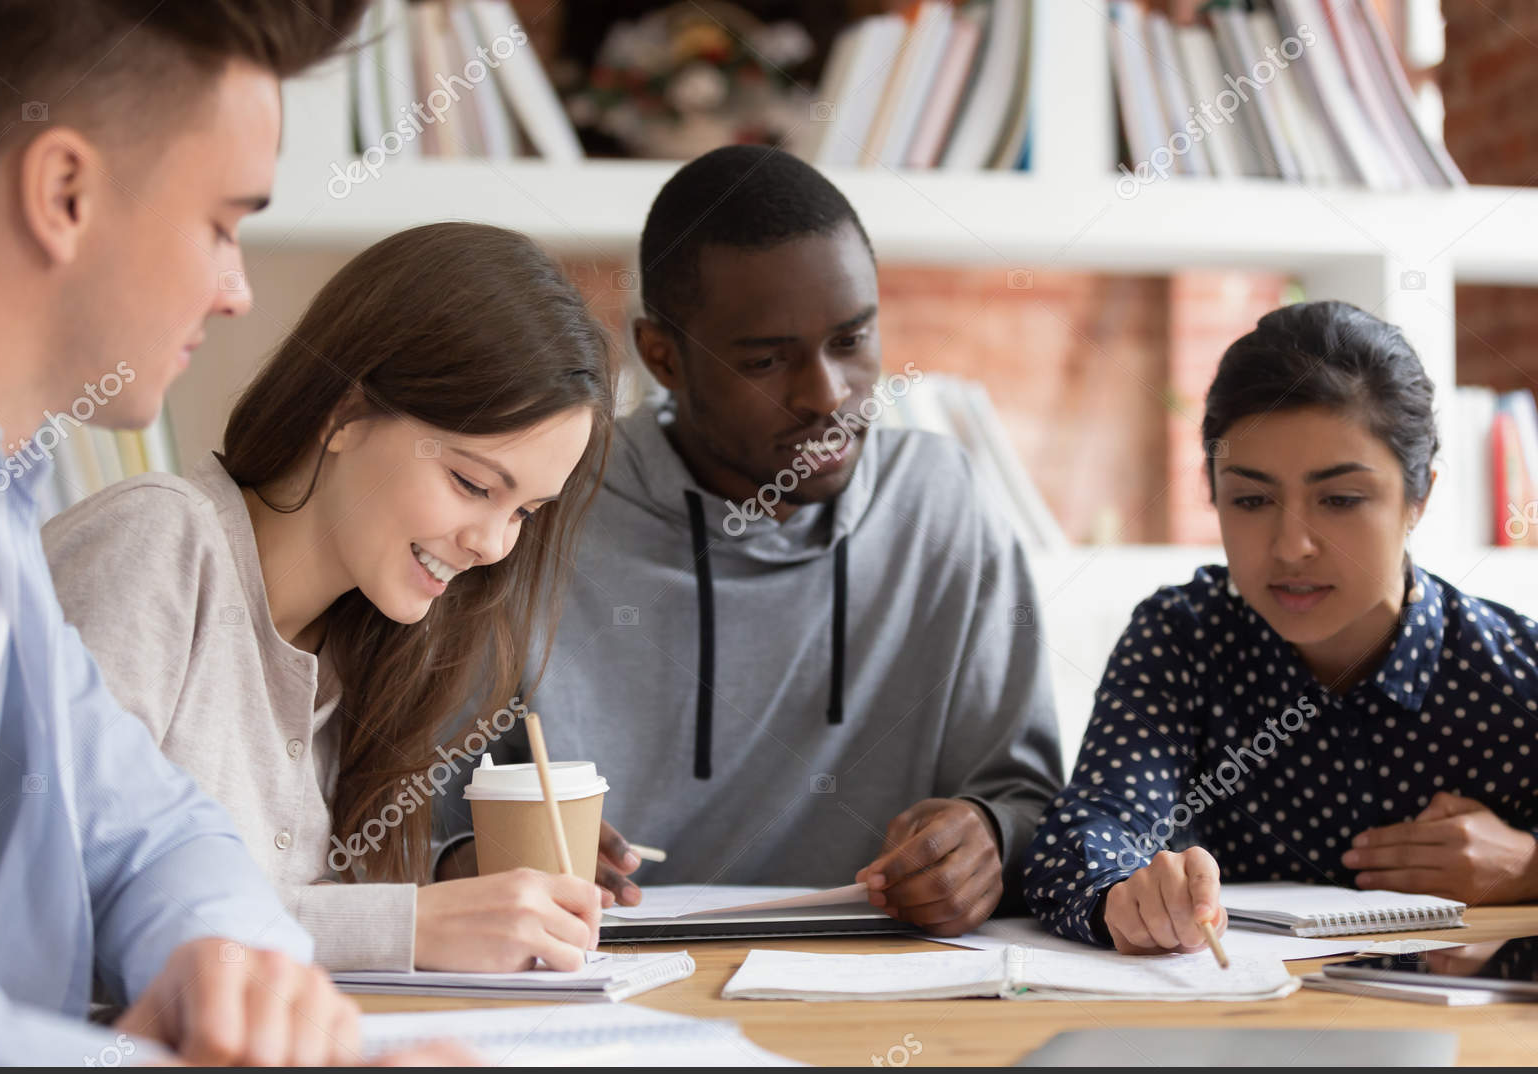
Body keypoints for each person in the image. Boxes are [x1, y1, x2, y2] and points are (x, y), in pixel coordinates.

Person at [0, 0, 465, 1066]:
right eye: (223, 224)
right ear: (65, 193)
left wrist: (231, 968)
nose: (234, 291)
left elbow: (151, 828)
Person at [438, 146, 1063, 937]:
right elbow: (407, 823)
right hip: (598, 975)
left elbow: (1032, 799)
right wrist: (482, 857)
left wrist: (988, 837)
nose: (827, 395)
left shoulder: (943, 503)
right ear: (662, 356)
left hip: (885, 982)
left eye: (852, 340)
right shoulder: (543, 508)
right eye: (767, 360)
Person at [43, 222, 616, 974]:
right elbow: (65, 894)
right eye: (474, 485)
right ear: (345, 412)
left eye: (524, 512)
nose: (494, 544)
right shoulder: (158, 539)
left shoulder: (368, 643)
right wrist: (405, 925)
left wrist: (455, 881)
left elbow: (289, 907)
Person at [1023, 300, 1538, 954]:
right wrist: (1124, 892)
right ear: (1213, 495)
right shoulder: (1182, 639)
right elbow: (1086, 830)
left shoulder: (1513, 669)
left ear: (1419, 498)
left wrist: (1527, 866)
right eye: (1252, 499)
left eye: (1340, 499)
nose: (1292, 544)